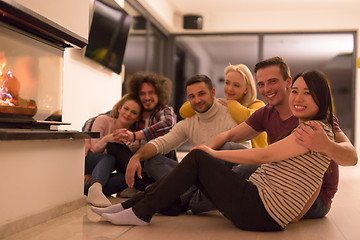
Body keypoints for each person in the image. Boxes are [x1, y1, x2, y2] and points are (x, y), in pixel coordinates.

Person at [90, 70, 344, 231]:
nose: (297, 98)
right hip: (258, 202)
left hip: (261, 210)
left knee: (199, 157)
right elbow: (308, 177)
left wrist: (214, 154)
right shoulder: (315, 127)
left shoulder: (311, 129)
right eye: (296, 92)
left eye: (307, 93)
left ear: (321, 98)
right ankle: (135, 206)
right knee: (191, 160)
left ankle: (139, 210)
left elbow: (264, 155)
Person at [206, 56, 357, 219]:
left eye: (272, 81)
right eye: (261, 84)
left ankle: (192, 201)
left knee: (246, 169)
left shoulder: (318, 119)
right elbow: (230, 135)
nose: (266, 89)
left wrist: (326, 145)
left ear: (288, 81)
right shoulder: (266, 112)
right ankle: (189, 189)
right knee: (227, 147)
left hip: (312, 198)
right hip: (276, 183)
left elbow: (352, 157)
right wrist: (204, 151)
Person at [123, 74, 250, 190]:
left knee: (225, 148)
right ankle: (187, 193)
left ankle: (181, 194)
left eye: (201, 94)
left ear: (212, 92)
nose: (197, 100)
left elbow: (244, 157)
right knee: (152, 161)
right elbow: (163, 142)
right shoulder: (189, 122)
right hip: (197, 179)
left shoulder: (230, 114)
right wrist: (136, 157)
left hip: (223, 179)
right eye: (192, 96)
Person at [106, 72, 177, 191]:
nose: (147, 97)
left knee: (159, 146)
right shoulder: (135, 112)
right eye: (142, 93)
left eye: (151, 93)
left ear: (159, 93)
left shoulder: (164, 110)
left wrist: (135, 135)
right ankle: (146, 186)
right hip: (139, 165)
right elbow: (106, 116)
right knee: (113, 145)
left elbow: (168, 124)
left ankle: (144, 187)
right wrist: (87, 138)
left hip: (159, 163)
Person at [179, 64, 267, 148]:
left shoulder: (257, 104)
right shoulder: (222, 104)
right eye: (227, 83)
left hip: (255, 160)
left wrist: (231, 103)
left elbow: (250, 120)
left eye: (236, 85)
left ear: (246, 89)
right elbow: (184, 112)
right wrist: (206, 100)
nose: (229, 89)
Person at [84, 93, 143, 207]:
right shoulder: (103, 120)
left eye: (133, 112)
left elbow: (121, 163)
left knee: (124, 178)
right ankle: (95, 186)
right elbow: (95, 150)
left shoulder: (134, 139)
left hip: (102, 170)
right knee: (109, 157)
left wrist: (97, 173)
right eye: (126, 109)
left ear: (137, 118)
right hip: (89, 160)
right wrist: (107, 139)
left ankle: (90, 190)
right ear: (120, 109)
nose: (128, 114)